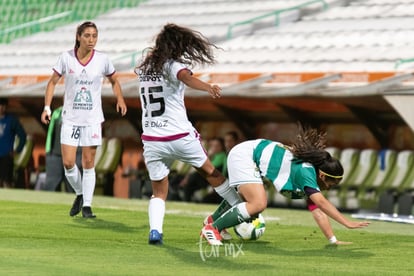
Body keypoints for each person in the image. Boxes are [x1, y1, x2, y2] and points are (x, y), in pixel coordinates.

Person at [135, 23, 241, 245]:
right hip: (179, 135)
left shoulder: (144, 69)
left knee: (159, 191)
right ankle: (241, 211)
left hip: (153, 139)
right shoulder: (172, 65)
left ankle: (155, 232)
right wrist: (208, 87)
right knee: (213, 175)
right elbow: (185, 77)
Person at [201, 126, 370, 245]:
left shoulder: (309, 176)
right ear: (322, 175)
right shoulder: (306, 172)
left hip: (249, 155)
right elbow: (321, 203)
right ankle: (214, 228)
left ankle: (211, 221)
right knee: (258, 203)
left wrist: (333, 240)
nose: (328, 188)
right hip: (246, 155)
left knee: (246, 199)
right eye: (330, 184)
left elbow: (317, 210)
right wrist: (346, 222)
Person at [40, 21, 127, 218]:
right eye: (87, 35)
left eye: (94, 36)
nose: (91, 40)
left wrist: (120, 98)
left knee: (88, 162)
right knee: (69, 163)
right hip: (70, 119)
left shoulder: (103, 60)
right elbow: (52, 83)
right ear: (78, 36)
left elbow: (114, 80)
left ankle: (87, 206)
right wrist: (47, 107)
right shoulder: (66, 58)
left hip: (92, 119)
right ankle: (80, 193)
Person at [42, 106, 82, 193]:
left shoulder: (81, 112)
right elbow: (50, 133)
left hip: (75, 154)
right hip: (55, 155)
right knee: (51, 184)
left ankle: (76, 204)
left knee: (72, 186)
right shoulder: (57, 113)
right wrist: (48, 151)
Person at [179, 137, 227, 202]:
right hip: (203, 179)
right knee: (189, 182)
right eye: (213, 146)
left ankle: (182, 190)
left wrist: (209, 155)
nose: (214, 148)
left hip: (209, 180)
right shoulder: (214, 156)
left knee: (195, 176)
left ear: (222, 147)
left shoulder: (222, 156)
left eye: (217, 146)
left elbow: (208, 167)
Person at [0, 98, 27, 188]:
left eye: (3, 106)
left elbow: (22, 136)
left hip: (6, 156)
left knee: (7, 182)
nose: (1, 108)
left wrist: (17, 150)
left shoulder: (11, 120)